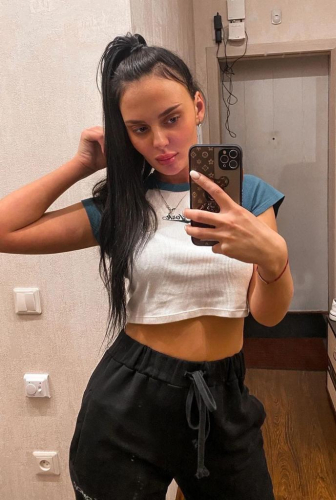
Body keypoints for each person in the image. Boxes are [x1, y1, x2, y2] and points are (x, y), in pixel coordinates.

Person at [0, 33, 293, 500]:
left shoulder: (248, 196)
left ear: (198, 106)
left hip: (222, 394)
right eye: (139, 129)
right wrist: (80, 165)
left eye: (171, 118)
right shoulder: (124, 204)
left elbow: (268, 315)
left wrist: (274, 258)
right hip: (129, 399)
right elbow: (5, 231)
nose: (160, 142)